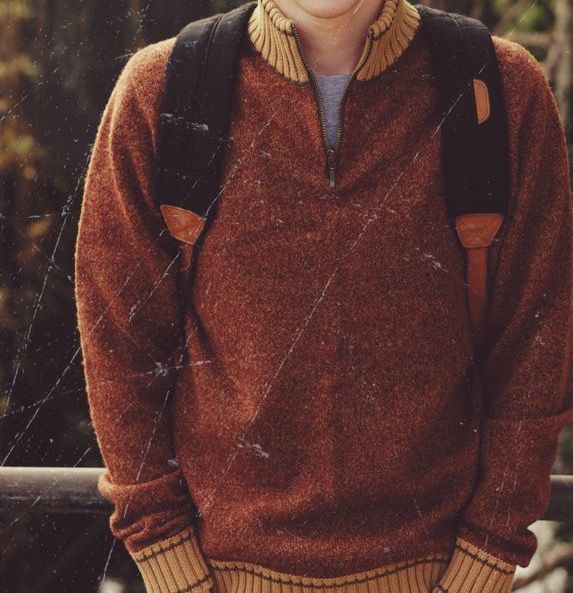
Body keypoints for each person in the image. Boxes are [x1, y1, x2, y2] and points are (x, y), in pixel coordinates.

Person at [74, 1, 573, 592]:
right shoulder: (162, 90)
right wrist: (170, 562)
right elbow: (119, 345)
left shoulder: (499, 87)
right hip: (216, 579)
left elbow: (537, 344)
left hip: (443, 576)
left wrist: (485, 561)